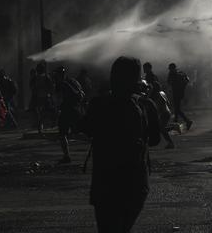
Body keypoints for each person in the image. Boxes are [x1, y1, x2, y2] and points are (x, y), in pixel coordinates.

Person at [81, 56, 161, 232]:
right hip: (135, 182)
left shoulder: (98, 103)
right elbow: (155, 140)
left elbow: (86, 129)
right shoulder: (146, 104)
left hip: (104, 182)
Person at [54, 66, 85, 164]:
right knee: (81, 131)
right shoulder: (73, 81)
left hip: (66, 111)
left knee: (62, 134)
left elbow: (59, 98)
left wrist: (57, 108)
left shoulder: (61, 84)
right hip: (76, 109)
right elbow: (82, 94)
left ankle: (66, 156)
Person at [167, 63, 193, 130]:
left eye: (170, 69)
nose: (170, 70)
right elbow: (187, 80)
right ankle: (176, 124)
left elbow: (168, 82)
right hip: (179, 93)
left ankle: (187, 121)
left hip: (177, 93)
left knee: (177, 109)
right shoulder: (181, 73)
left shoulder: (174, 74)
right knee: (176, 109)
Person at [32, 62, 55, 133]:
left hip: (39, 98)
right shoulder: (46, 77)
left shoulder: (35, 78)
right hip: (45, 97)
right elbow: (51, 87)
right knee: (49, 111)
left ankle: (40, 126)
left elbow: (33, 87)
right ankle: (51, 123)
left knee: (41, 113)